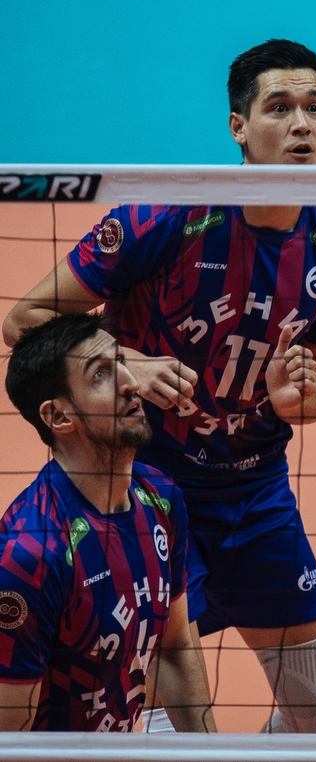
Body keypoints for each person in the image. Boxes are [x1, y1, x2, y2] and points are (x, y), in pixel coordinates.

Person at [1, 40, 316, 734]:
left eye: (315, 108)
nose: (301, 124)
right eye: (279, 107)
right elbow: (24, 319)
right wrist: (125, 362)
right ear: (238, 127)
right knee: (162, 730)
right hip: (148, 487)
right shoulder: (167, 216)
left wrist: (296, 399)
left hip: (256, 492)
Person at [0, 313, 214, 733]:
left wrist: (211, 754)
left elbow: (173, 649)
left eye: (120, 362)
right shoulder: (30, 554)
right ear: (58, 416)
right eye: (101, 374)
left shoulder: (161, 498)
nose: (131, 382)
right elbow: (9, 740)